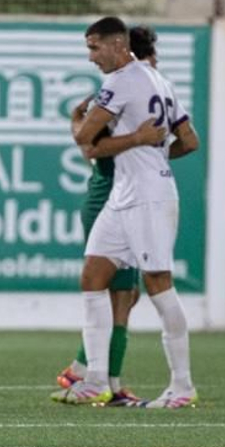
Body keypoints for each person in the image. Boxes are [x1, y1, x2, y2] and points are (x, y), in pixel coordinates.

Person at [57, 17, 201, 410]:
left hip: (149, 197)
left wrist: (131, 141)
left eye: (94, 48)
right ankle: (96, 380)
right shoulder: (160, 81)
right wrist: (149, 151)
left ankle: (182, 386)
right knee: (93, 275)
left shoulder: (120, 81)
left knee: (158, 284)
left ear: (118, 45)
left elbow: (86, 137)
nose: (90, 57)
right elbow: (189, 142)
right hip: (125, 195)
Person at [52, 24, 162, 405]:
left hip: (118, 196)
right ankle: (101, 381)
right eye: (153, 59)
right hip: (112, 198)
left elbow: (82, 128)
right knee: (118, 296)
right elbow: (90, 145)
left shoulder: (135, 88)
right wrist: (137, 140)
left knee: (125, 295)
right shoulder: (123, 88)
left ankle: (88, 372)